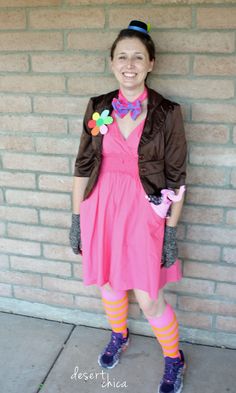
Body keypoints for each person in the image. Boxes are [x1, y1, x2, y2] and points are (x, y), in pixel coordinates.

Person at [69, 20, 187, 393]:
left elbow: (177, 178)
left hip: (144, 213)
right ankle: (119, 335)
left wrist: (171, 232)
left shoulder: (167, 112)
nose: (130, 64)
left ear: (151, 63)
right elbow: (83, 166)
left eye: (138, 57)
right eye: (122, 56)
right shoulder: (98, 107)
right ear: (112, 62)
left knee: (150, 298)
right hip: (101, 208)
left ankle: (174, 359)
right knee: (108, 284)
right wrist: (76, 219)